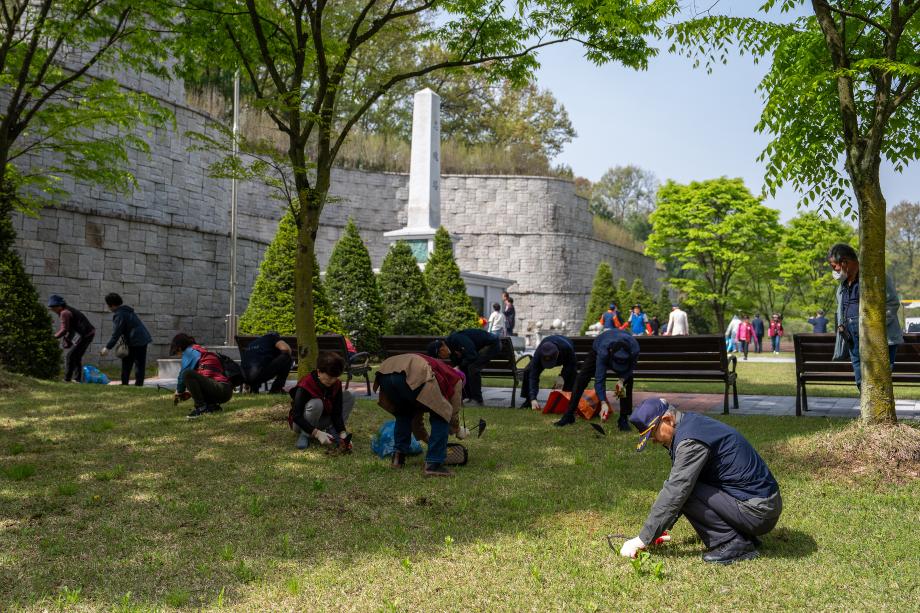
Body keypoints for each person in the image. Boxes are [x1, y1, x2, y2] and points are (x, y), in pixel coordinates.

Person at [619, 398, 782, 565]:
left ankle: (733, 543)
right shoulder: (690, 425)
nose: (654, 440)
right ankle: (743, 537)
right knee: (685, 488)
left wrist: (642, 539)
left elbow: (676, 491)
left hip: (758, 512)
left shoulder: (690, 442)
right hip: (761, 506)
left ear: (667, 420)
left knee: (685, 491)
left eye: (653, 433)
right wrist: (660, 529)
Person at [374, 353, 466, 477]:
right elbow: (452, 414)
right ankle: (434, 464)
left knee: (404, 413)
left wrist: (428, 440)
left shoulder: (437, 372)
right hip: (412, 370)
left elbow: (415, 422)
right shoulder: (457, 378)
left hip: (385, 371)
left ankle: (398, 459)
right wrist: (457, 430)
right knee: (442, 413)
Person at [828, 243, 902, 390]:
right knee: (860, 380)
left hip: (877, 337)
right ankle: (867, 409)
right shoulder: (842, 285)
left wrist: (872, 327)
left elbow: (892, 304)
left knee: (879, 382)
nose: (834, 271)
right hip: (851, 338)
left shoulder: (875, 277)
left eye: (834, 266)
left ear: (844, 262)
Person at [554, 328, 639, 431]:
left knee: (627, 381)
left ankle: (623, 418)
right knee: (582, 378)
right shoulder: (603, 351)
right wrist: (603, 402)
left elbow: (630, 368)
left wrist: (621, 380)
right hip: (599, 345)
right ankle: (569, 414)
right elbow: (599, 379)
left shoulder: (634, 350)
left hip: (621, 349)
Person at [288, 351, 355, 450]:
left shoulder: (336, 384)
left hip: (322, 420)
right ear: (319, 372)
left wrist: (342, 432)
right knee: (317, 403)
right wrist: (317, 433)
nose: (332, 381)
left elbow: (337, 412)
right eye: (329, 377)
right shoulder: (305, 384)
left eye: (335, 378)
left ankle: (333, 431)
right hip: (300, 424)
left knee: (350, 395)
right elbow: (296, 416)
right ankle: (305, 435)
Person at [427, 329, 501, 406]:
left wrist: (459, 366)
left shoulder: (456, 339)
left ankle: (477, 400)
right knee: (465, 367)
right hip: (480, 348)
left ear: (442, 348)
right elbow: (461, 368)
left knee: (473, 367)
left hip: (492, 344)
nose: (442, 358)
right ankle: (468, 397)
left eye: (440, 355)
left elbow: (472, 355)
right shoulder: (451, 352)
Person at [171, 333, 233, 419]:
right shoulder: (199, 350)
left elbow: (183, 375)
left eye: (178, 352)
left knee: (187, 374)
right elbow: (206, 378)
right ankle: (212, 407)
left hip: (221, 388)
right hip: (225, 390)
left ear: (180, 348)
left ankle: (201, 407)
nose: (181, 356)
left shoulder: (190, 351)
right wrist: (191, 393)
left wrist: (179, 391)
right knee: (190, 374)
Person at [100, 293, 152, 386]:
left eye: (108, 305)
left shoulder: (119, 314)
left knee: (131, 363)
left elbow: (116, 334)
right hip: (141, 339)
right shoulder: (127, 311)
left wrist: (107, 348)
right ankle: (134, 385)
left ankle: (129, 384)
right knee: (135, 363)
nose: (108, 307)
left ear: (112, 305)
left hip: (136, 340)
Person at [521, 335, 577, 410]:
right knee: (528, 371)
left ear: (557, 354)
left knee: (570, 374)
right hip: (546, 351)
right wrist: (532, 398)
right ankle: (529, 401)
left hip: (568, 356)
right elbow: (533, 375)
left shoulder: (567, 349)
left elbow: (568, 369)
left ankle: (567, 401)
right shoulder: (539, 352)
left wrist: (559, 383)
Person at [47, 294, 95, 382]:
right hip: (88, 333)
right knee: (76, 356)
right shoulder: (67, 310)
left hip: (85, 335)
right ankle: (77, 379)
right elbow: (71, 329)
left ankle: (67, 379)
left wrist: (53, 337)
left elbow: (64, 330)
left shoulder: (64, 313)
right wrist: (68, 339)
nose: (52, 310)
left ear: (59, 306)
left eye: (53, 307)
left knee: (70, 356)